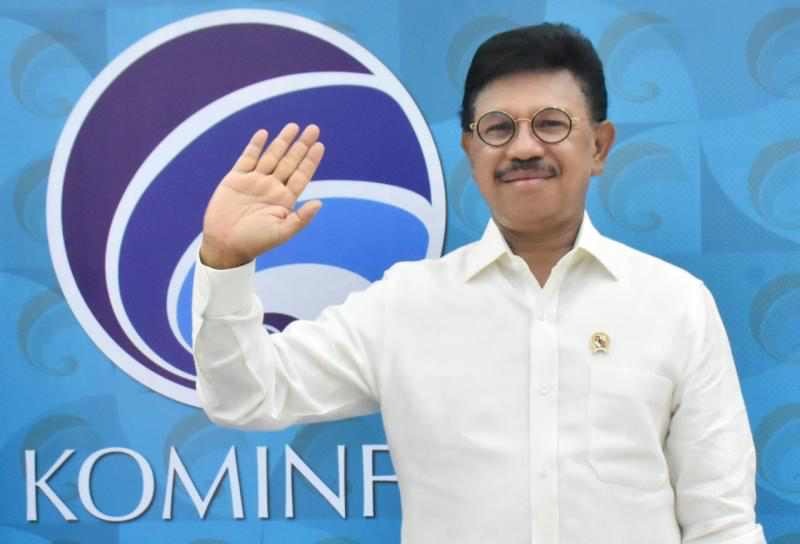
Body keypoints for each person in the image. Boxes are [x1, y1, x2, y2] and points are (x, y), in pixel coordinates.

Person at [193, 23, 765, 544]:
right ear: (470, 151)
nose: (523, 147)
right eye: (497, 128)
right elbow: (247, 397)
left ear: (599, 146)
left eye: (551, 124)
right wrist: (225, 260)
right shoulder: (406, 304)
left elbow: (722, 523)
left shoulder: (675, 304)